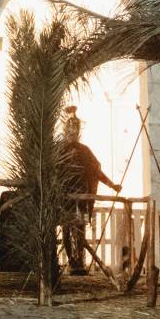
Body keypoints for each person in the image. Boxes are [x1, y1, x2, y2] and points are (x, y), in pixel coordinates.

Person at [58, 106, 118, 276]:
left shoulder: (85, 151)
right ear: (65, 130)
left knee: (80, 229)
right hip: (65, 198)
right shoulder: (59, 150)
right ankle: (71, 261)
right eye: (69, 129)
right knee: (67, 229)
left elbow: (96, 172)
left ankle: (80, 262)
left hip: (82, 198)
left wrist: (112, 185)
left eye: (75, 129)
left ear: (78, 132)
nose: (72, 132)